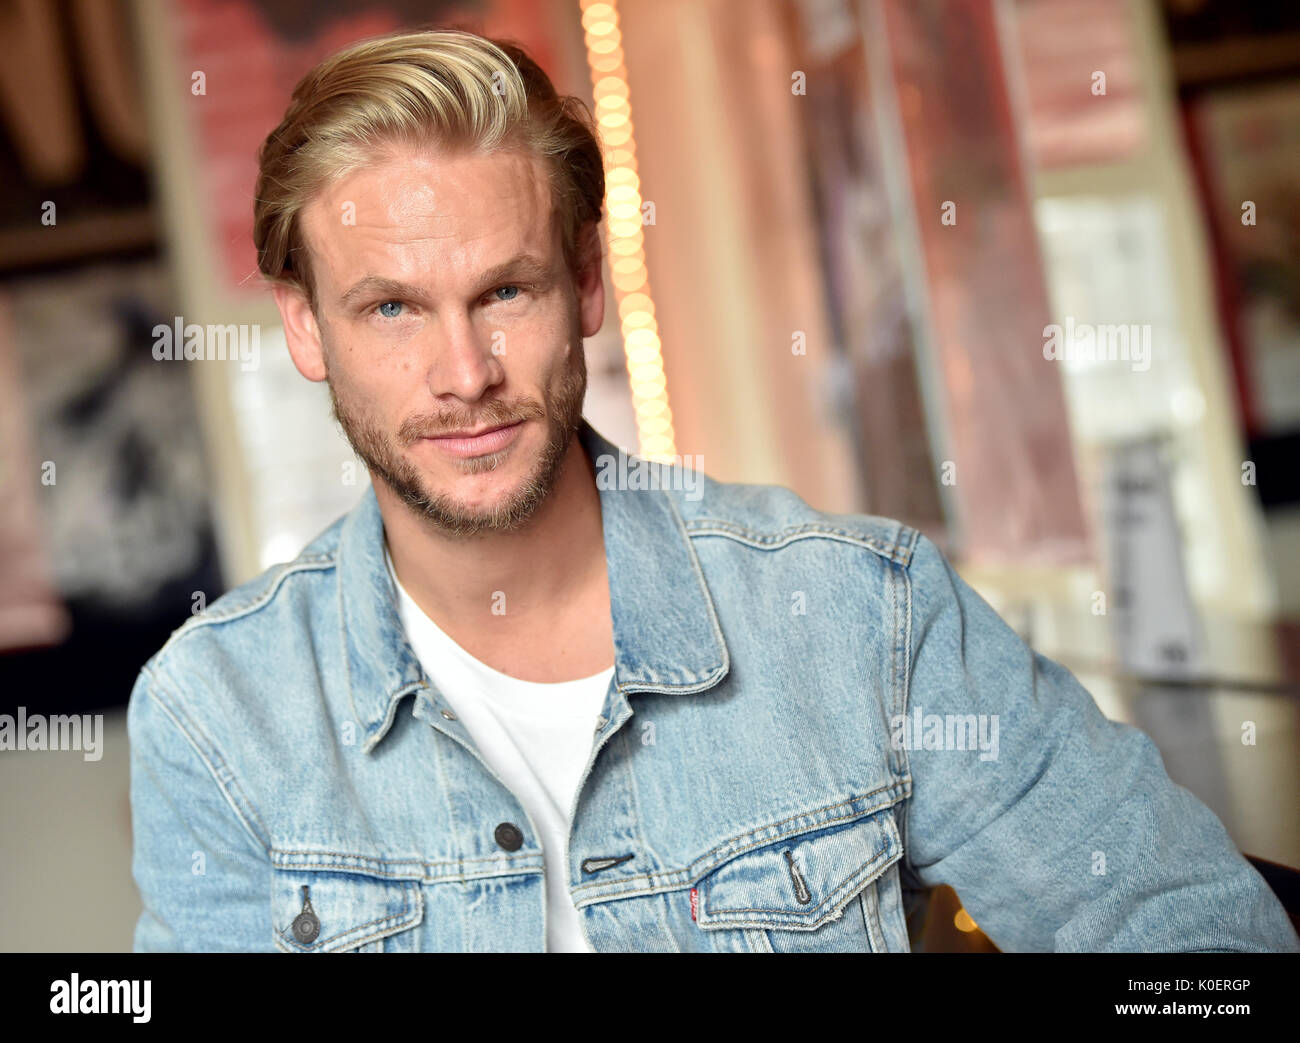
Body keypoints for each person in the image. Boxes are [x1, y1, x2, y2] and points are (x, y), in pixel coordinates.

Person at [128, 27, 1299, 953]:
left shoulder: (861, 614)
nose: (465, 374)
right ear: (305, 327)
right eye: (392, 307)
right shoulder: (219, 716)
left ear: (586, 282)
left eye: (507, 292)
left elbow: (1187, 937)